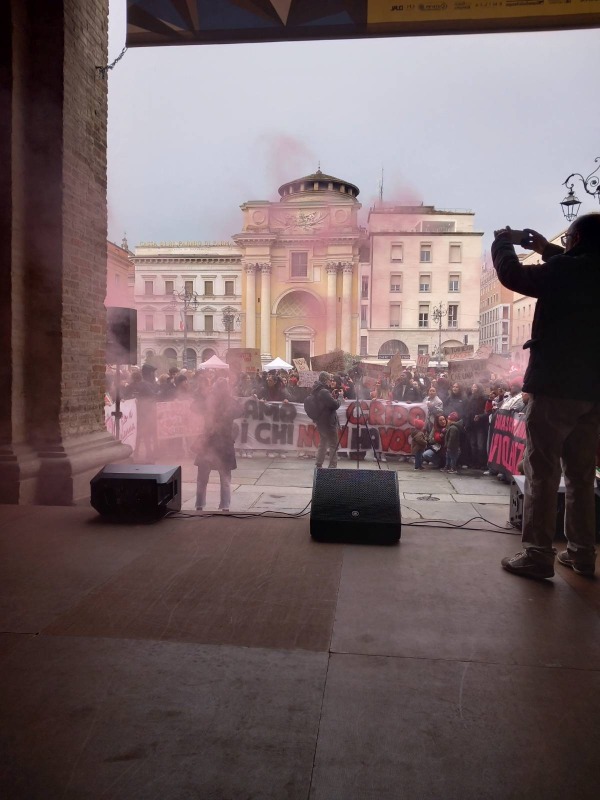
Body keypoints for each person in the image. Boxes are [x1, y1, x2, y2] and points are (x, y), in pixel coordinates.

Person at [492, 214, 600, 579]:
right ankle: (582, 553)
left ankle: (539, 554)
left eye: (568, 239)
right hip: (594, 390)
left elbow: (514, 277)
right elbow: (576, 267)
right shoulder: (586, 269)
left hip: (556, 385)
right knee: (583, 475)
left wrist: (503, 243)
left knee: (542, 471)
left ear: (578, 238)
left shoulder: (568, 271)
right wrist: (545, 247)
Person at [192, 377, 244, 512]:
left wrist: (203, 394)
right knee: (225, 478)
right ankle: (225, 506)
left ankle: (199, 504)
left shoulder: (210, 400)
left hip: (209, 442)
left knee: (202, 478)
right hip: (222, 443)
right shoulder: (229, 402)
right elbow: (240, 411)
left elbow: (193, 407)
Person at [309, 372, 341, 469]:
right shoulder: (324, 391)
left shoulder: (316, 389)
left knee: (323, 442)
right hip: (329, 421)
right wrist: (339, 398)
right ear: (325, 379)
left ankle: (319, 463)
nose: (330, 381)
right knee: (333, 444)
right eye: (329, 379)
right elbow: (334, 405)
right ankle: (332, 465)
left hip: (321, 421)